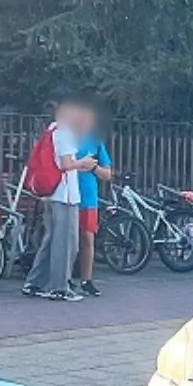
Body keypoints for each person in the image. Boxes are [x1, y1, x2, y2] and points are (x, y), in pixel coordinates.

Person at [22, 96, 99, 302]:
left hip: (52, 195)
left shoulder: (51, 131)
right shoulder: (64, 133)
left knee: (51, 241)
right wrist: (82, 163)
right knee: (66, 244)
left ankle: (35, 283)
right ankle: (60, 287)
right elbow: (65, 164)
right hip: (64, 196)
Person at [74, 121, 114, 297]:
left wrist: (94, 167)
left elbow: (107, 174)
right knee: (69, 241)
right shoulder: (66, 141)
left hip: (89, 198)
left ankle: (86, 280)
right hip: (69, 197)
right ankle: (65, 278)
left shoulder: (95, 142)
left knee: (87, 238)